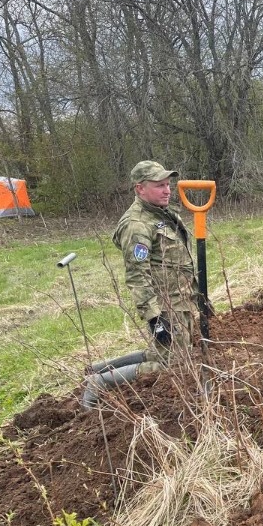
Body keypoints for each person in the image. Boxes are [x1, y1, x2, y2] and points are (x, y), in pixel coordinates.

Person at [82, 161, 199, 407]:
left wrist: (198, 294)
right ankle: (100, 381)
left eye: (168, 185)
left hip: (181, 298)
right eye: (159, 186)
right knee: (171, 362)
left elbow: (176, 261)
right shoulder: (137, 225)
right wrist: (155, 318)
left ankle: (97, 369)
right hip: (166, 305)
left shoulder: (162, 214)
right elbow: (137, 274)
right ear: (140, 189)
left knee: (168, 352)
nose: (167, 190)